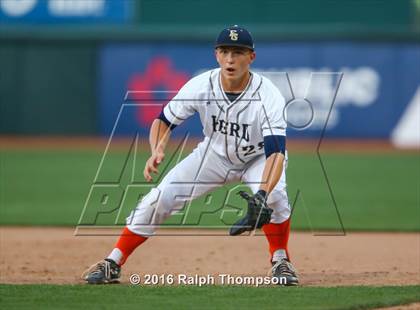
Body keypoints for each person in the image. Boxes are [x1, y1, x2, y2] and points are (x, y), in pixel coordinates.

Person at [83, 25, 298, 286]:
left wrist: (262, 194)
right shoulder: (201, 85)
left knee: (275, 197)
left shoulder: (269, 95)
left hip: (259, 157)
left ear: (251, 57)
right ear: (216, 54)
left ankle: (280, 260)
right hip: (214, 155)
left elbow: (276, 152)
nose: (231, 58)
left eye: (238, 52)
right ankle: (113, 261)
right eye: (225, 51)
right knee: (160, 198)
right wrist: (158, 148)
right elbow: (163, 120)